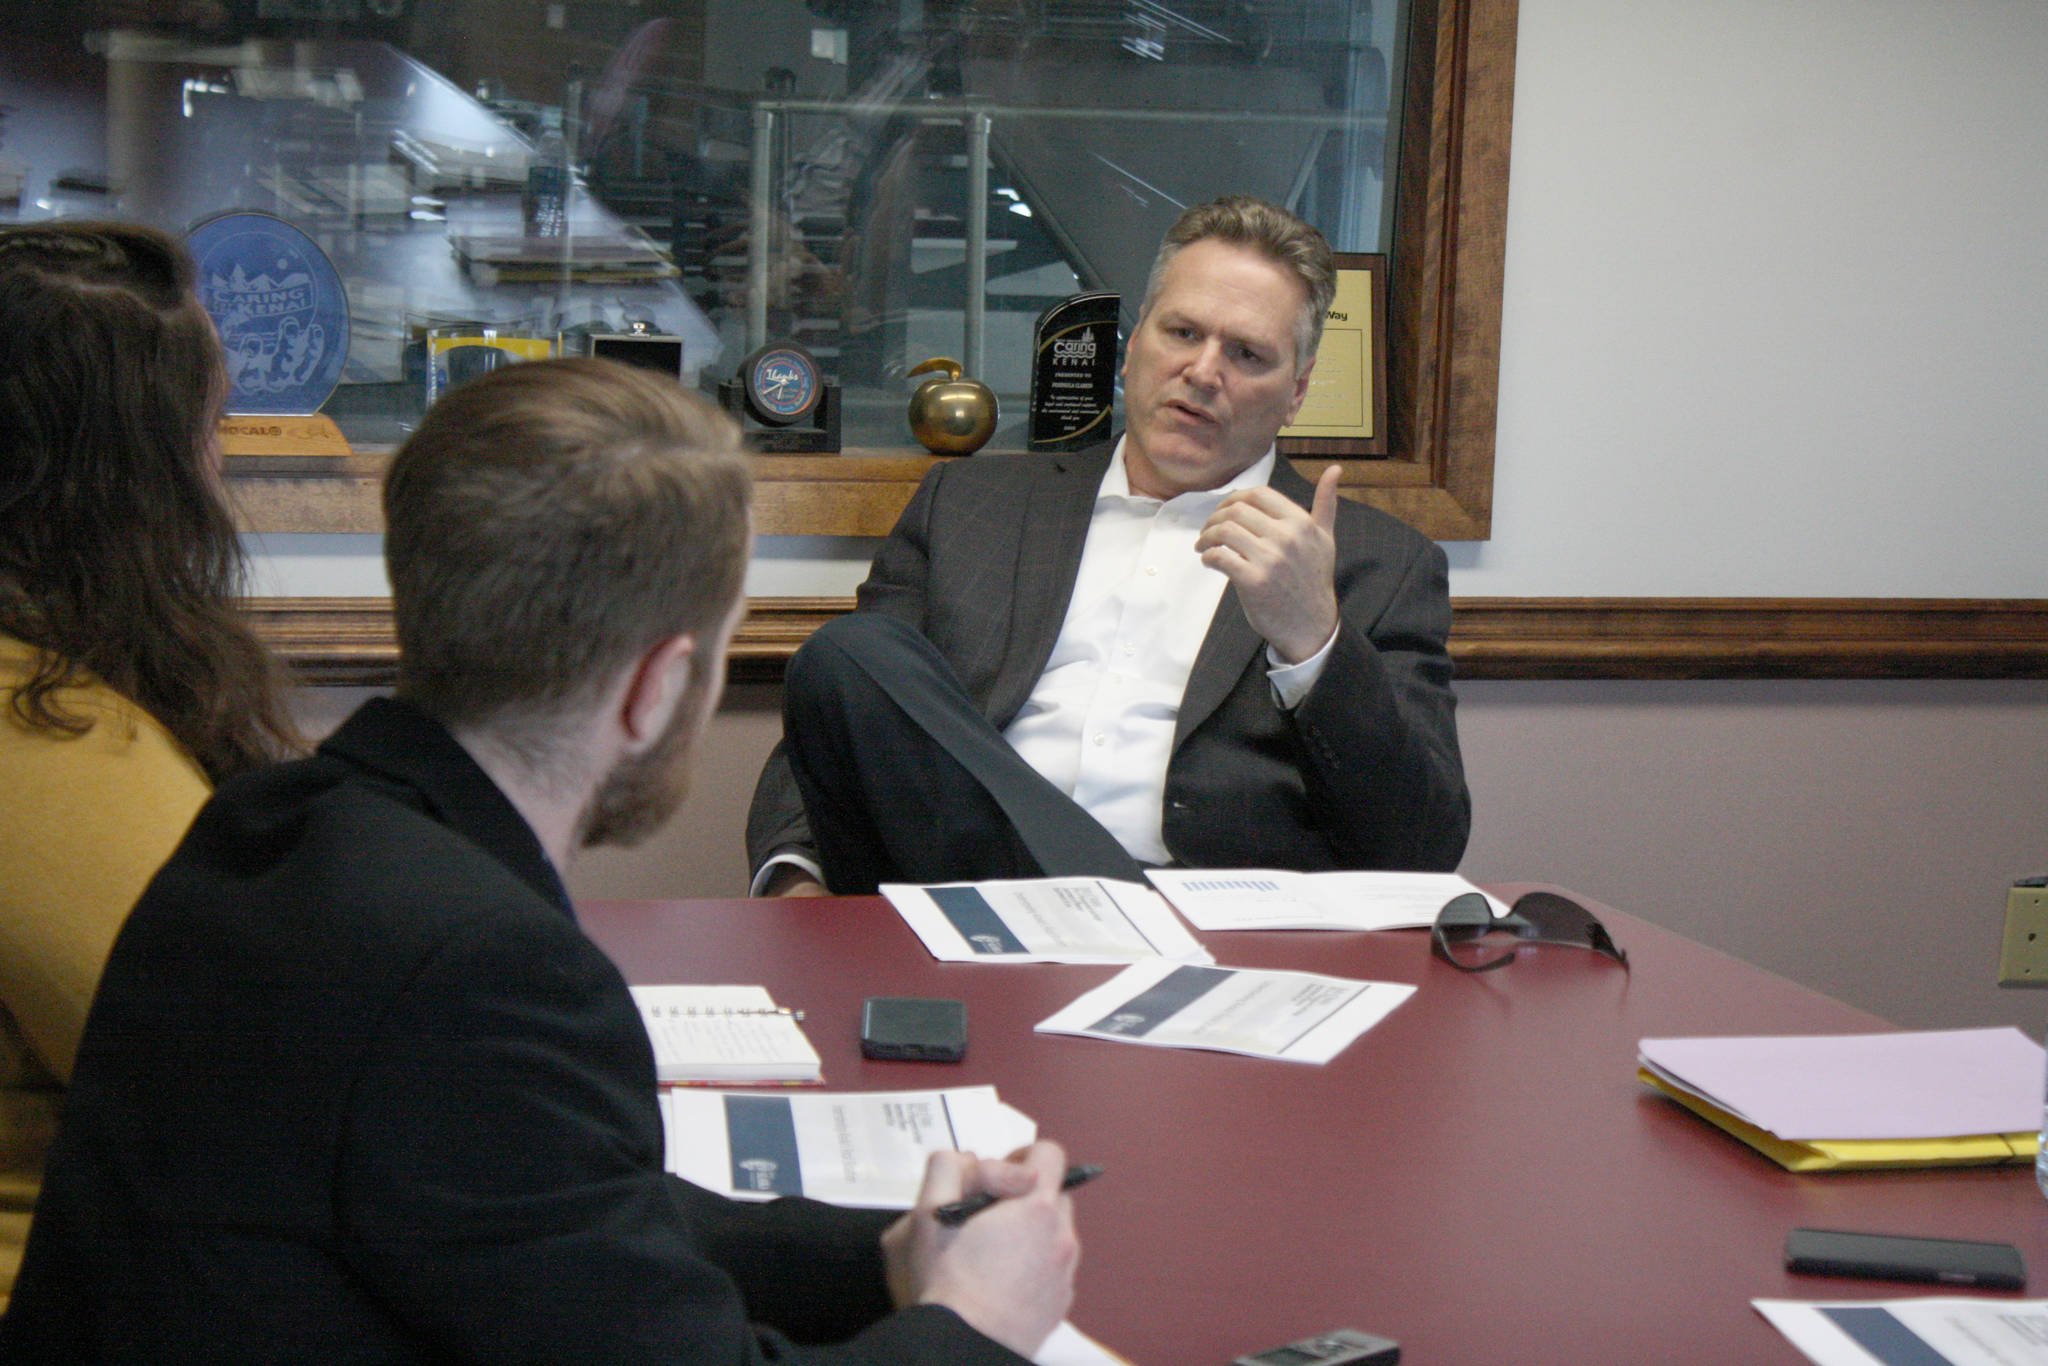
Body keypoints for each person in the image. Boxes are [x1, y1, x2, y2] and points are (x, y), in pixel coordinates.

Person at [0, 359, 1080, 1363]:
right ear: (656, 686)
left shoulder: (275, 830)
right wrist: (972, 1320)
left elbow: (583, 1216)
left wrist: (896, 1246)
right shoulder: (477, 969)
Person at [747, 195, 1469, 895]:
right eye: (1182, 333)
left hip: (1204, 923)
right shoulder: (971, 505)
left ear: (1298, 391)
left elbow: (1421, 848)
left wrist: (1315, 641)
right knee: (852, 657)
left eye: (1248, 354)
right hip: (964, 898)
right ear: (1132, 347)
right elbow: (838, 733)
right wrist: (796, 886)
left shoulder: (1377, 563)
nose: (1204, 372)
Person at [0, 221, 297, 1312]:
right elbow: (241, 1089)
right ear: (129, 479)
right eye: (209, 430)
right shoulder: (48, 739)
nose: (222, 475)